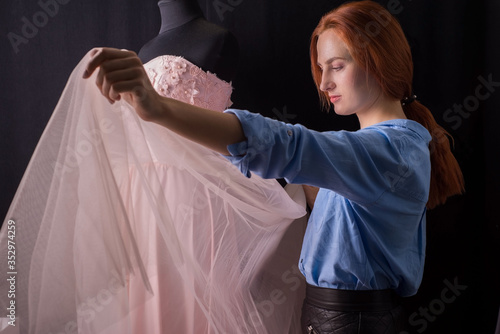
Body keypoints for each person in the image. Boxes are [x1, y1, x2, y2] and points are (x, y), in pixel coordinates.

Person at [83, 0, 465, 333]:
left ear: (378, 60)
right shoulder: (375, 154)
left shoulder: (389, 151)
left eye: (337, 65)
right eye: (321, 68)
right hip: (340, 317)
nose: (325, 83)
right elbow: (334, 205)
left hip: (353, 321)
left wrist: (159, 106)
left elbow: (292, 146)